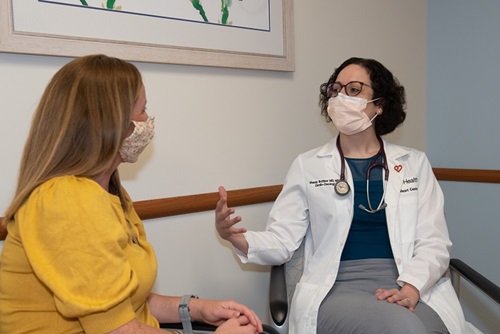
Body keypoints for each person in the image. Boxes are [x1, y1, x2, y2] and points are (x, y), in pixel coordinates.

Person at [0, 54, 263, 334]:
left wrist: (196, 308)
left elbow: (125, 302)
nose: (147, 121)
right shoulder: (67, 200)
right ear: (111, 122)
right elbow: (117, 329)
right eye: (141, 111)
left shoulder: (109, 191)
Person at [216, 57, 472, 334]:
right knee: (405, 328)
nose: (340, 97)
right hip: (338, 287)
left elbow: (434, 241)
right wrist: (235, 236)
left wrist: (410, 289)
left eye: (353, 90)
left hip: (408, 282)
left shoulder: (414, 163)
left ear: (380, 104)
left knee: (435, 330)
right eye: (335, 89)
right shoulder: (308, 165)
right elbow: (282, 241)